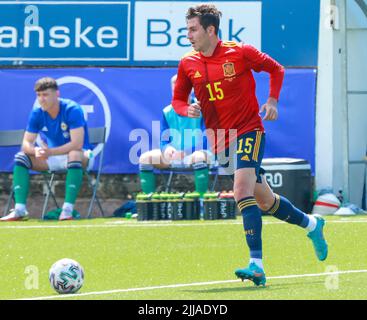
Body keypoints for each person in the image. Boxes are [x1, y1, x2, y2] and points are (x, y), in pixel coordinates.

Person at [172, 4, 328, 286]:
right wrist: (187, 110)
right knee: (265, 200)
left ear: (210, 30)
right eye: (187, 30)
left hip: (248, 131)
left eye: (193, 29)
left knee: (240, 190)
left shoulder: (240, 52)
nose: (189, 35)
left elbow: (276, 69)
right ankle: (313, 224)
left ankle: (256, 264)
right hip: (219, 142)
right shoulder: (187, 63)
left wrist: (272, 100)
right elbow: (178, 100)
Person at [1, 77, 92, 221]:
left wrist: (50, 152)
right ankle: (20, 210)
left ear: (57, 94)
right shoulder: (37, 113)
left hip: (82, 156)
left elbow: (77, 144)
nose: (41, 99)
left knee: (74, 154)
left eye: (45, 95)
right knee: (21, 157)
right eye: (38, 95)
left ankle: (67, 210)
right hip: (53, 157)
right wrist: (35, 151)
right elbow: (26, 143)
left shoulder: (72, 109)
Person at [139, 74, 213, 196]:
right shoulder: (167, 112)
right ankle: (149, 202)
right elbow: (164, 140)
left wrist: (187, 152)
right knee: (145, 158)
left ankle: (201, 202)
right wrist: (168, 149)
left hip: (201, 153)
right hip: (175, 156)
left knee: (198, 157)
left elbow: (206, 140)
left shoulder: (203, 109)